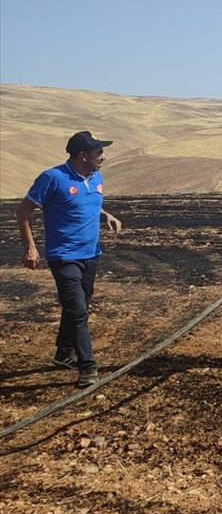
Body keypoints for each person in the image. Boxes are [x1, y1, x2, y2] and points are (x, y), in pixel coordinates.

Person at [17, 131, 123, 388]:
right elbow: (23, 211)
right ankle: (88, 367)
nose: (104, 157)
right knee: (78, 312)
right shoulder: (52, 178)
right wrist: (30, 247)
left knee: (78, 306)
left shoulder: (95, 176)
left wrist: (104, 214)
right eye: (99, 153)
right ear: (82, 156)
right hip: (64, 256)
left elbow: (83, 201)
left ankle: (64, 352)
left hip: (91, 253)